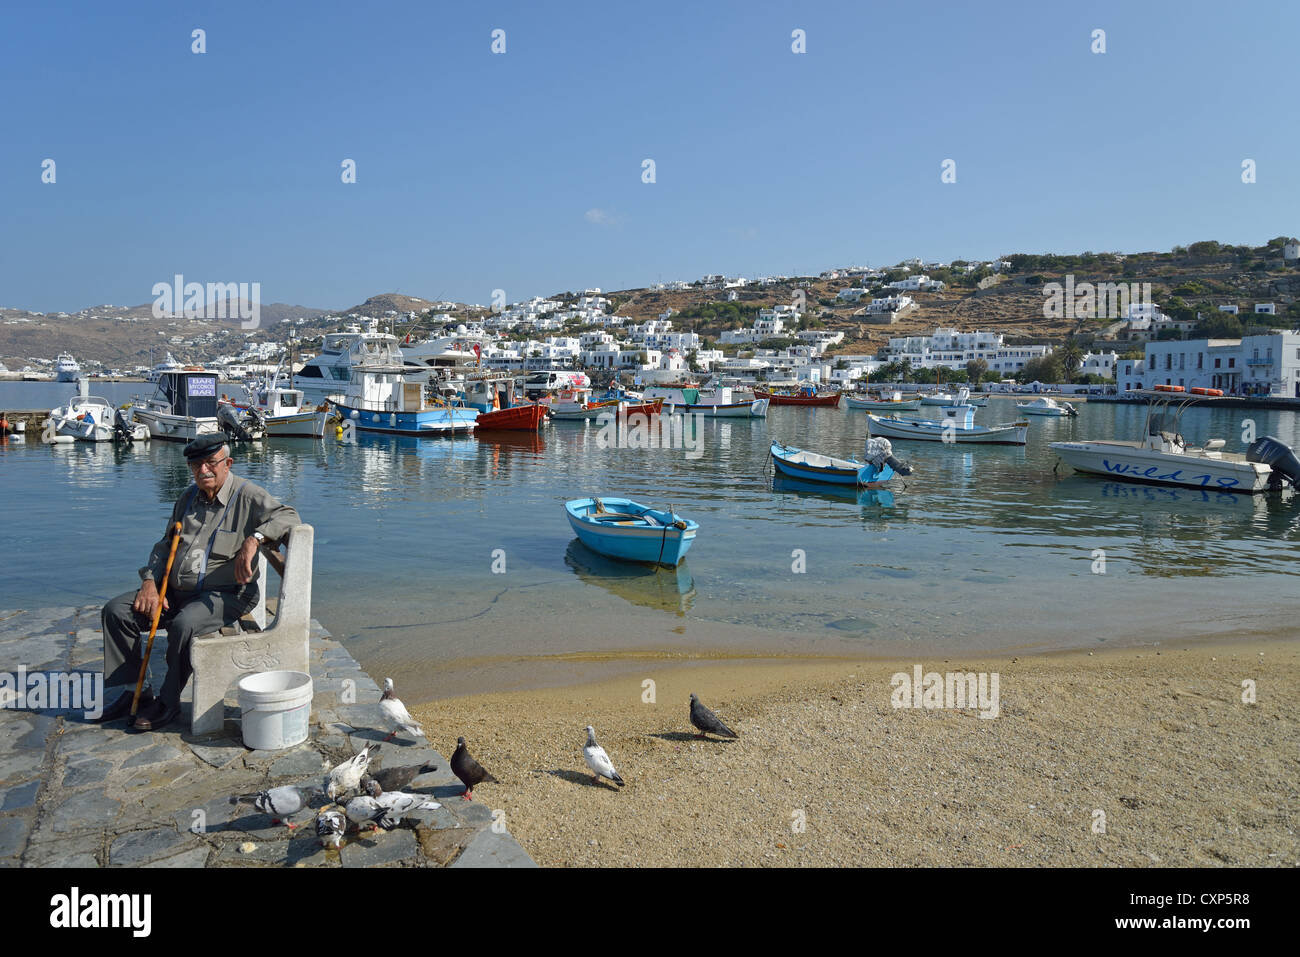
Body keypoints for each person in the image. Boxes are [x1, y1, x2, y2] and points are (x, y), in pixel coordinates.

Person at [98, 435, 302, 731]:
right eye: (196, 464)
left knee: (184, 624)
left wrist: (253, 540)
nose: (203, 470)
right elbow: (164, 546)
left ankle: (167, 703)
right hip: (176, 591)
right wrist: (150, 582)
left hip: (228, 594)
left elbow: (289, 516)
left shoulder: (247, 494)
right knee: (116, 611)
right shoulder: (187, 498)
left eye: (211, 463)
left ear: (227, 464)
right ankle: (134, 692)